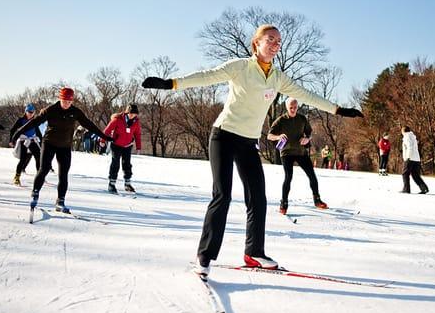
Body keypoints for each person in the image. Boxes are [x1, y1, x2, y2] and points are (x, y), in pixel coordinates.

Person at [142, 24, 363, 277]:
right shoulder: (241, 67)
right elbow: (206, 76)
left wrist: (338, 110)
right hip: (223, 136)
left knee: (257, 198)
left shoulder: (277, 77)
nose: (275, 44)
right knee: (222, 195)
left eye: (278, 41)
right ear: (256, 42)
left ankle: (254, 252)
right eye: (270, 39)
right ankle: (205, 256)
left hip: (248, 142)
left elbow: (306, 94)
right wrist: (171, 84)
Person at [11, 87, 112, 213]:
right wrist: (17, 133)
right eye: (65, 101)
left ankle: (60, 201)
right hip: (49, 143)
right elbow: (34, 122)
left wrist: (104, 136)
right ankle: (35, 193)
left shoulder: (75, 111)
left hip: (65, 146)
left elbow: (89, 124)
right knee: (44, 169)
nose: (67, 104)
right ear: (60, 99)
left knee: (63, 175)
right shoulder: (50, 110)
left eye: (69, 102)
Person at [268, 97, 328, 215]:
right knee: (288, 177)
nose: (293, 109)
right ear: (287, 107)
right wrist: (278, 137)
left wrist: (307, 139)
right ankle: (283, 203)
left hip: (301, 153)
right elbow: (269, 135)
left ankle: (317, 200)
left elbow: (309, 133)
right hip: (286, 153)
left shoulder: (302, 119)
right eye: (291, 107)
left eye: (295, 107)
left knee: (312, 175)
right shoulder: (281, 120)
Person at [104, 104, 142, 194]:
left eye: (134, 114)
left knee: (127, 164)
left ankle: (127, 184)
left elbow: (137, 134)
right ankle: (111, 184)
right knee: (115, 164)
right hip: (116, 145)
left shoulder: (136, 122)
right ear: (126, 112)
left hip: (127, 146)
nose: (132, 115)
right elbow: (107, 130)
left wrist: (138, 147)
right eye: (131, 113)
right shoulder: (118, 119)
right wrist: (102, 140)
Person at [9, 103, 42, 186]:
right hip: (23, 140)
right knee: (23, 159)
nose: (31, 114)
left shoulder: (34, 120)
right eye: (29, 112)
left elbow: (38, 133)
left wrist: (41, 143)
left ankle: (40, 176)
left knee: (38, 157)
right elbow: (13, 130)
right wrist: (11, 140)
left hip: (32, 140)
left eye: (32, 112)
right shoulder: (21, 120)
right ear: (26, 112)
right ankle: (17, 177)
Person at [400, 126, 429, 194]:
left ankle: (406, 189)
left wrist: (408, 157)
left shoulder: (407, 137)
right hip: (416, 158)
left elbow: (410, 147)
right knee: (415, 175)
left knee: (405, 173)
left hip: (410, 158)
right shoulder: (413, 137)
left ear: (403, 131)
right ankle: (424, 188)